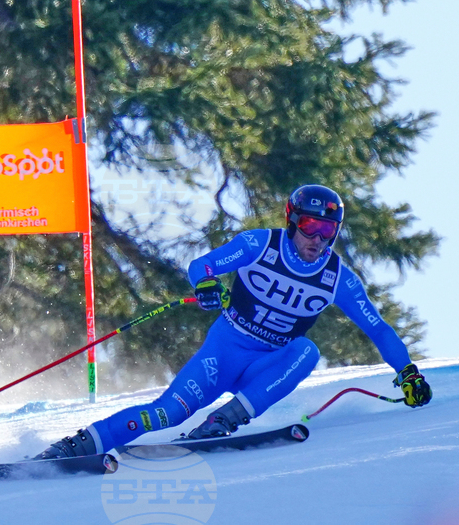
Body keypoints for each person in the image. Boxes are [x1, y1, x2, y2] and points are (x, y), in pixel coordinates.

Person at [37, 184, 432, 459]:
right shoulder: (261, 244)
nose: (318, 238)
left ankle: (225, 420)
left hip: (266, 366)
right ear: (294, 222)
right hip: (223, 354)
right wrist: (206, 284)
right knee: (166, 414)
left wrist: (408, 372)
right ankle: (79, 446)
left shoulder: (337, 277)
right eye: (311, 226)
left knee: (307, 352)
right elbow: (202, 265)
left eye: (328, 230)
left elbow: (377, 327)